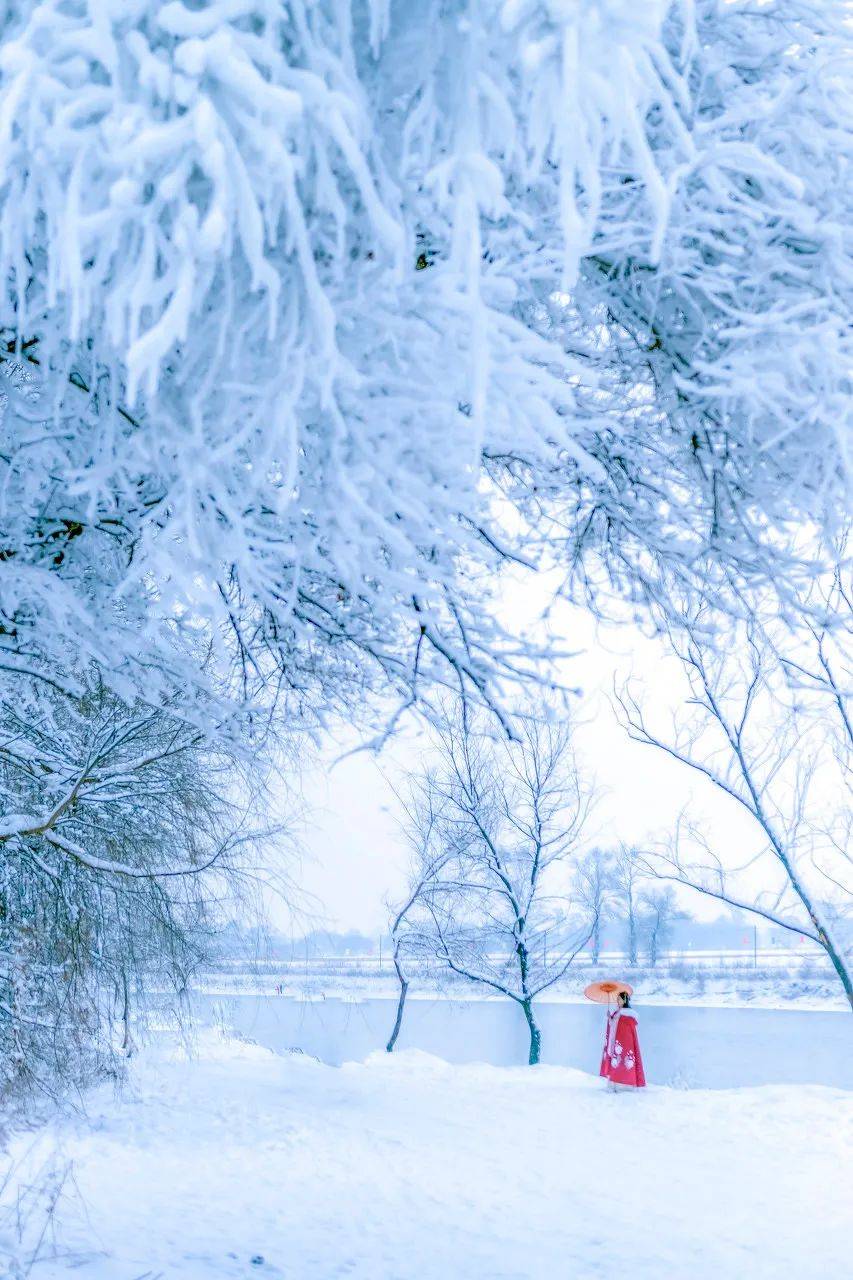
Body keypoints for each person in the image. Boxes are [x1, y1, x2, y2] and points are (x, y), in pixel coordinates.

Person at [600, 991, 646, 1090]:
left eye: (619, 999)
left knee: (623, 1060)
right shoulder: (618, 1012)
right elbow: (614, 1026)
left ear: (624, 1000)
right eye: (617, 999)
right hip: (619, 1041)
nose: (618, 1001)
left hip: (624, 1042)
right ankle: (618, 1083)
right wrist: (609, 1018)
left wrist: (613, 1020)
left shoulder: (626, 1014)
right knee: (618, 1060)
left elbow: (623, 1027)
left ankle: (624, 1084)